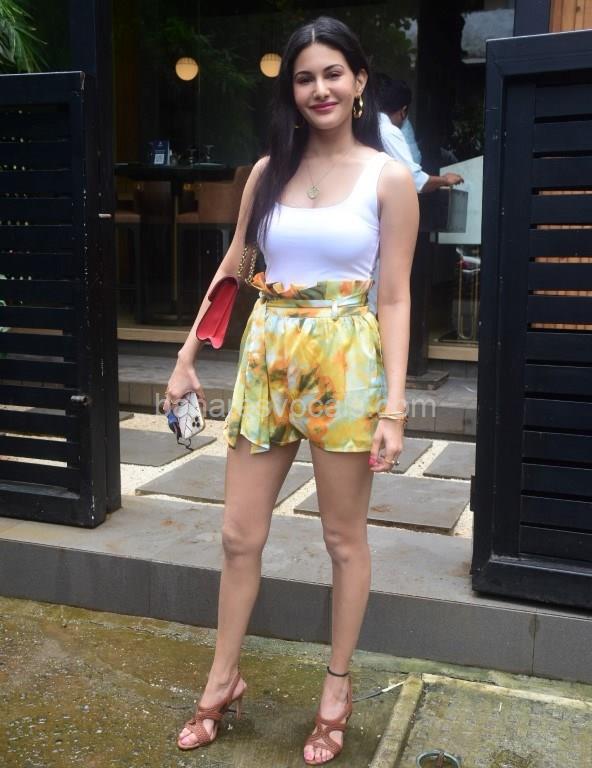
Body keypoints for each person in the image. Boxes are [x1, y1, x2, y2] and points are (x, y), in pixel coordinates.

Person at [164, 15, 418, 765]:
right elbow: (235, 268)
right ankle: (223, 677)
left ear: (360, 81)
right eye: (305, 77)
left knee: (342, 539)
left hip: (346, 363)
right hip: (267, 358)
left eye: (333, 73)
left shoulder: (387, 177)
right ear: (292, 90)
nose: (320, 88)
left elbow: (395, 297)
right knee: (238, 535)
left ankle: (336, 690)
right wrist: (187, 355)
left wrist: (395, 406)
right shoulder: (266, 172)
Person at [376, 75, 464, 193]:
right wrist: (445, 179)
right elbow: (414, 180)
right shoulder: (388, 131)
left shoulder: (369, 125)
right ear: (403, 111)